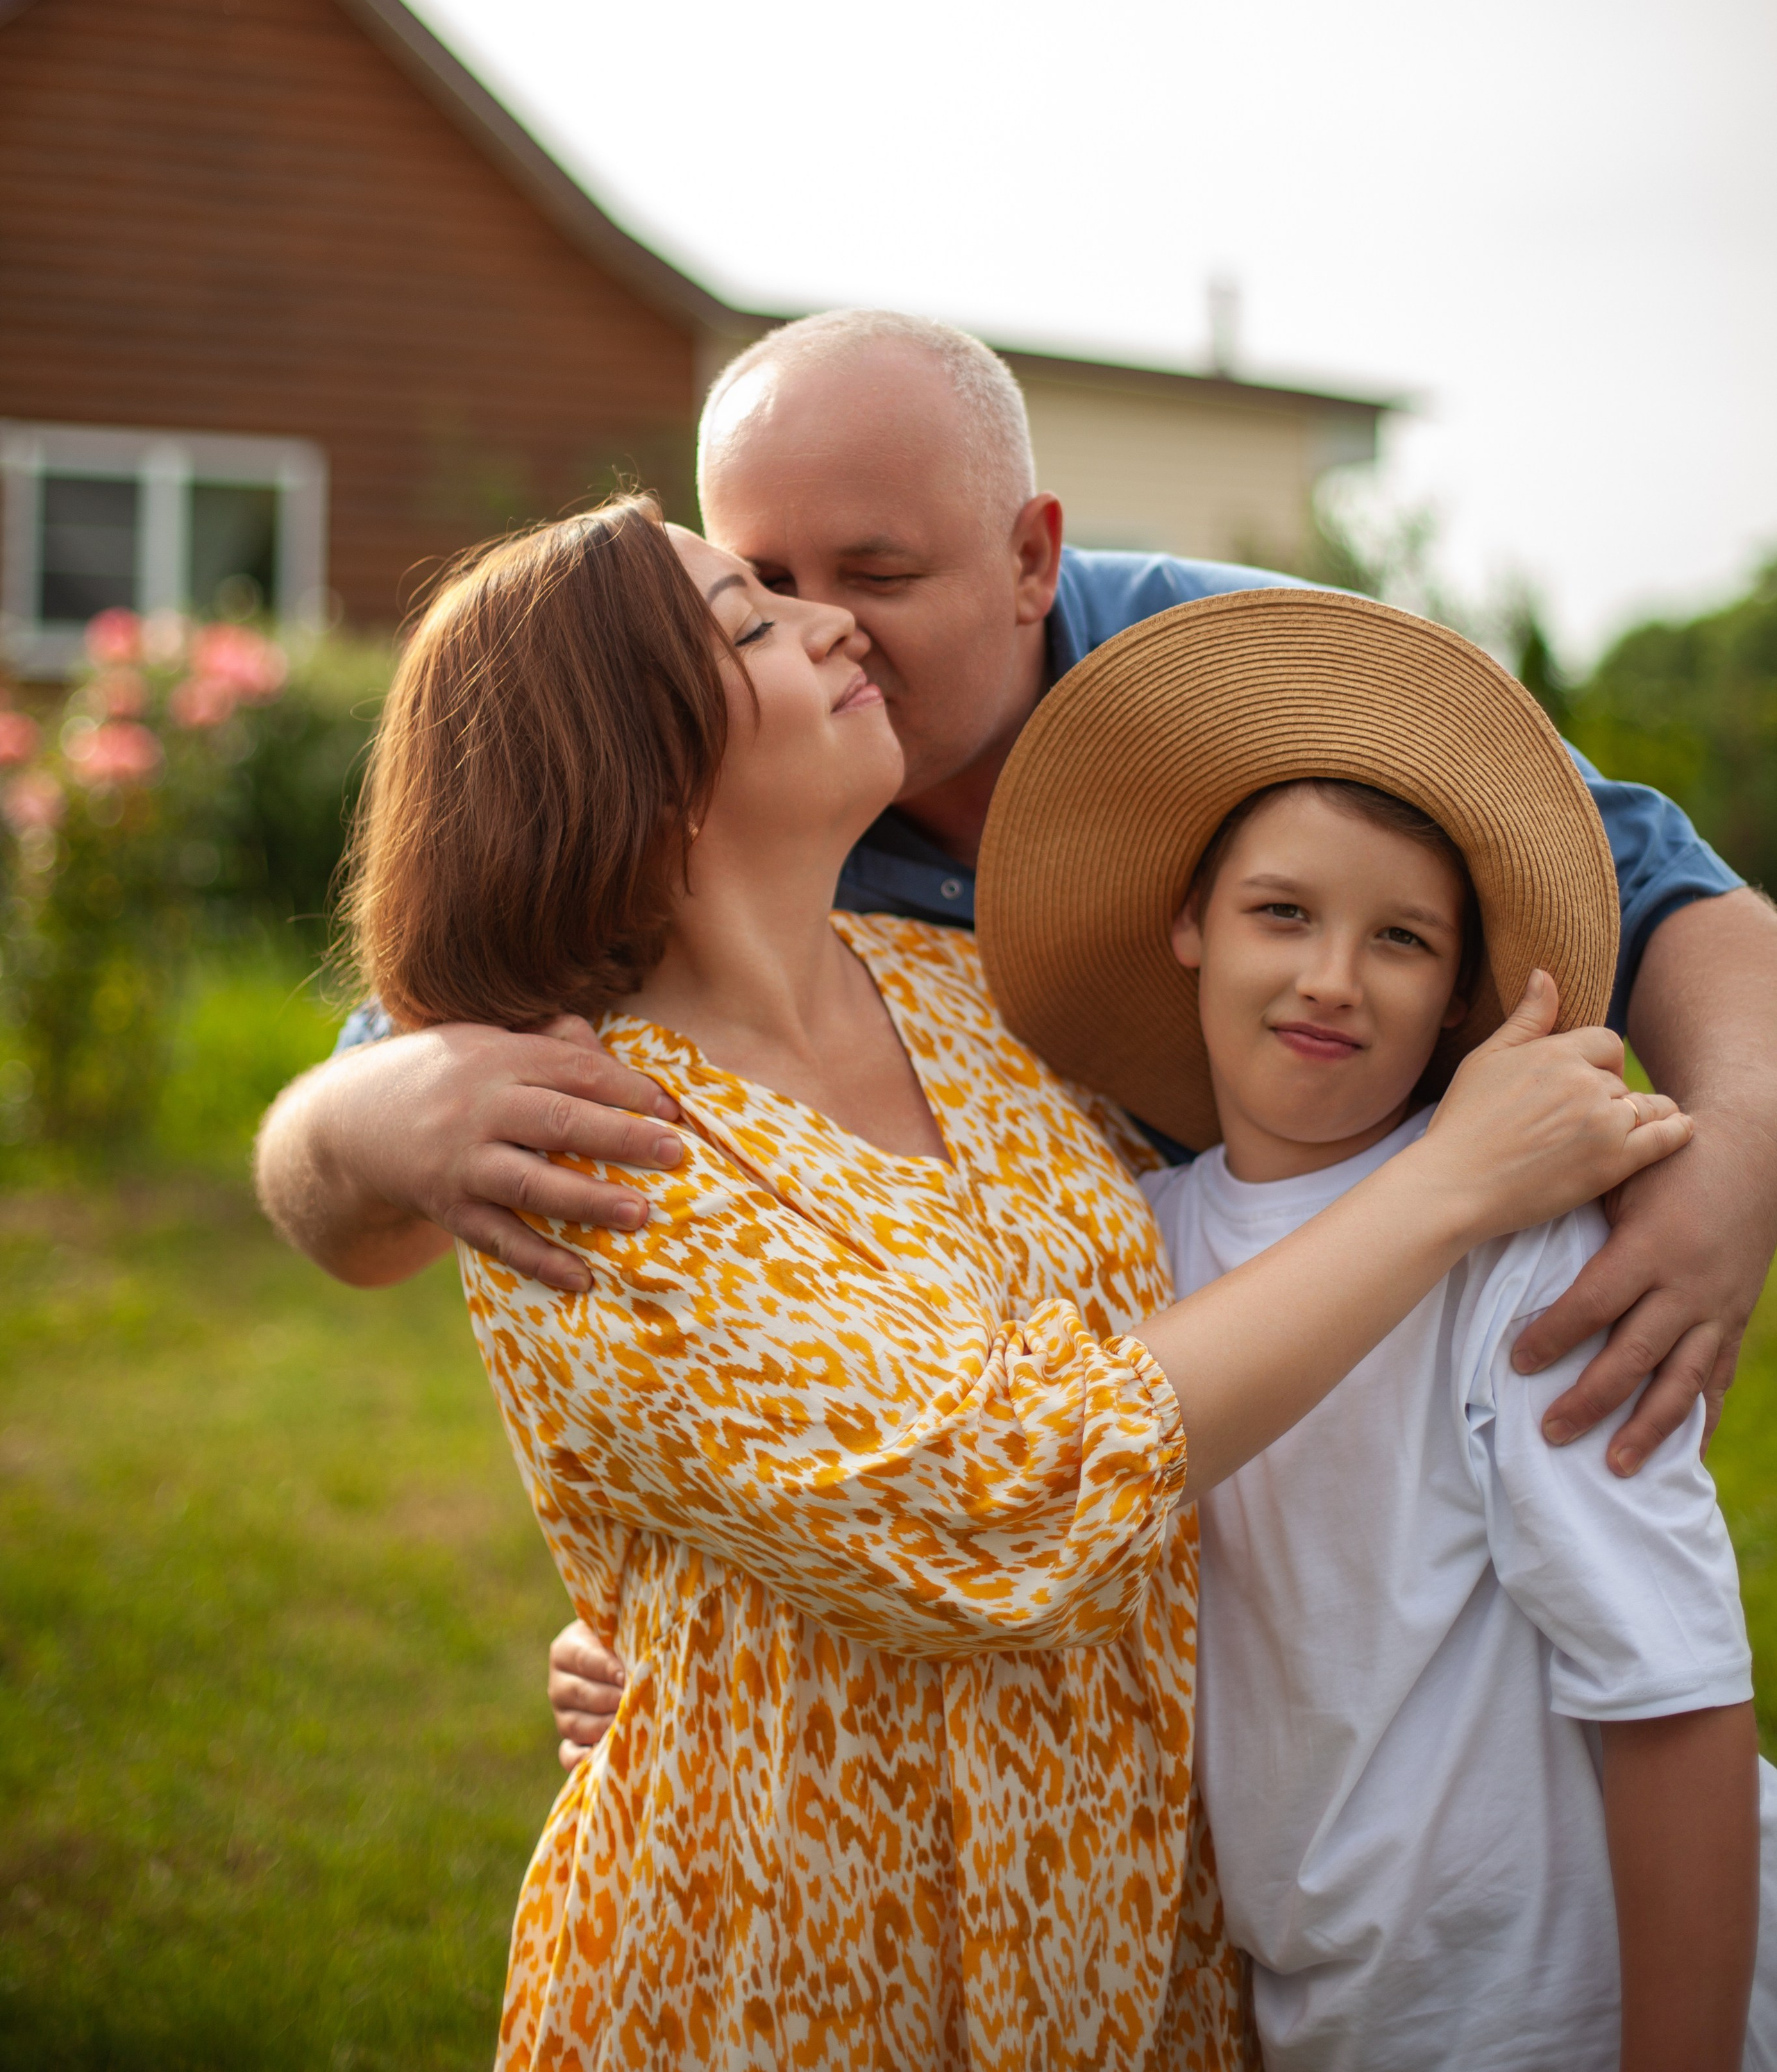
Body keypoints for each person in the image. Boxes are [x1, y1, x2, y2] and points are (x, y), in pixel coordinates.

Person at [253, 309, 1777, 1760]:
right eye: (758, 578)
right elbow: (378, 1186)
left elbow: (1660, 890)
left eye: (875, 571)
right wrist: (358, 1118)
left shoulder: (1235, 684)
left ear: (1030, 558)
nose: (821, 625)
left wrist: (1736, 1164)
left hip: (1407, 1388)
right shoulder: (742, 799)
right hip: (1117, 1529)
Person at [337, 496, 1686, 2071]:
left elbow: (1249, 1213)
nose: (831, 624)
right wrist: (1452, 1186)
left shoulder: (977, 994)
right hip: (803, 1962)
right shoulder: (582, 1133)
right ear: (635, 771)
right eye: (752, 623)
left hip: (1134, 1949)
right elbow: (991, 1500)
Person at [977, 584, 1776, 2072]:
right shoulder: (1122, 1240)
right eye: (1281, 911)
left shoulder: (1519, 1252)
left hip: (1558, 1992)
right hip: (1315, 1989)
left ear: (1458, 996)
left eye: (1399, 940)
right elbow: (959, 1483)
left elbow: (1671, 1691)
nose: (1331, 979)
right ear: (1187, 927)